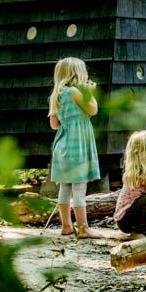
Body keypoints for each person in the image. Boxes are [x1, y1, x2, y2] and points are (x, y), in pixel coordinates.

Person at [48, 57, 101, 237]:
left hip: (63, 146)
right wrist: (89, 93)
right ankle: (84, 228)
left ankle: (66, 226)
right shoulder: (74, 92)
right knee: (79, 187)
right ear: (77, 74)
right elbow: (93, 110)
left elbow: (54, 125)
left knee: (65, 187)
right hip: (78, 145)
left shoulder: (56, 95)